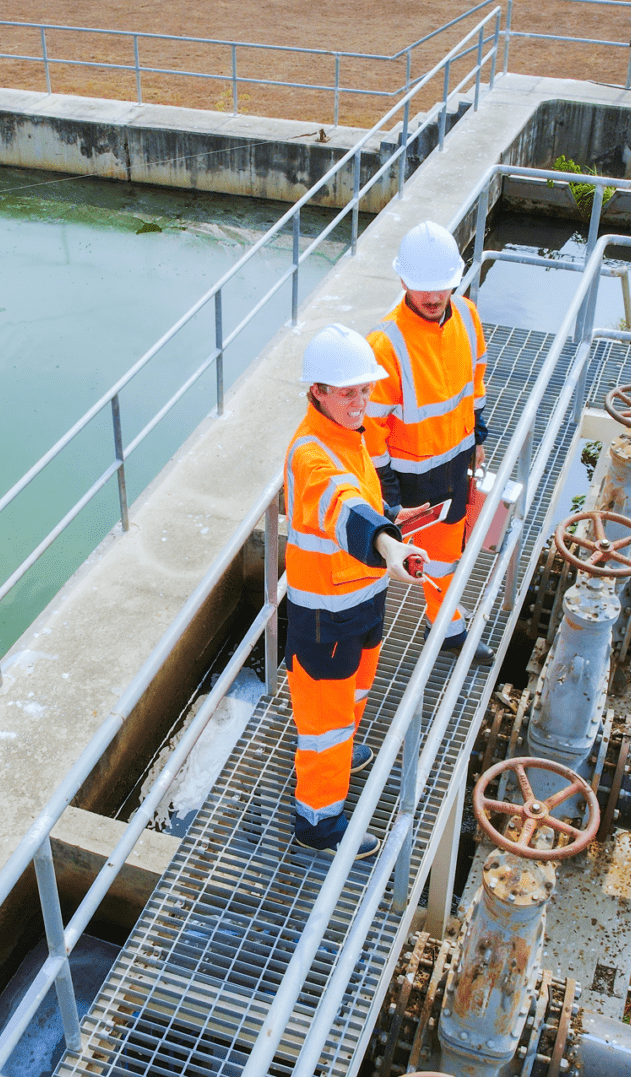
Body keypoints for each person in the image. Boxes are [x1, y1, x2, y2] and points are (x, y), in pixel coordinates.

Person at [285, 323, 429, 859]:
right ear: (317, 391)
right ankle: (318, 825)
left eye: (365, 390)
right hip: (325, 620)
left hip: (361, 603)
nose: (360, 401)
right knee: (325, 726)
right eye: (348, 392)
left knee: (354, 699)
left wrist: (392, 520)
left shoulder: (350, 435)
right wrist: (389, 547)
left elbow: (363, 501)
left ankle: (342, 760)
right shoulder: (310, 454)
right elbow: (340, 505)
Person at [364, 220, 495, 664]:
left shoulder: (469, 317)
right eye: (423, 288)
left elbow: (474, 381)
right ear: (403, 280)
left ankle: (445, 625)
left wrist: (479, 435)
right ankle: (364, 652)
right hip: (407, 487)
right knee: (382, 566)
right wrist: (390, 497)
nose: (434, 298)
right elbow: (371, 431)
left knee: (445, 559)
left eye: (441, 287)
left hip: (455, 470)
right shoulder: (385, 344)